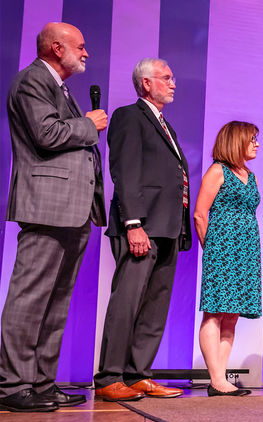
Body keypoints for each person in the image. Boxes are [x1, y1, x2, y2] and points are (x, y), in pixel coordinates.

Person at [0, 22, 107, 412]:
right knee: (29, 299)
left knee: (56, 302)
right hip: (46, 205)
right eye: (80, 46)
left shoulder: (59, 88)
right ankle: (12, 385)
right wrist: (89, 125)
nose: (86, 53)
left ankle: (42, 382)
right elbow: (46, 134)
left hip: (73, 209)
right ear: (56, 48)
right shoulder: (31, 81)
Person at [94, 58, 191, 402]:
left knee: (155, 305)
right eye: (167, 77)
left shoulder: (165, 125)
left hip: (166, 228)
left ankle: (137, 374)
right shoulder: (129, 116)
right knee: (128, 301)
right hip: (141, 227)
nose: (173, 82)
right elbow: (126, 172)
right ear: (146, 83)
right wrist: (133, 223)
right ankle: (109, 377)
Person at [194, 121, 262, 397]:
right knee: (215, 312)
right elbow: (200, 214)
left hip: (247, 251)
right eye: (252, 139)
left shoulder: (251, 175)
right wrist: (212, 250)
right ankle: (216, 379)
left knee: (232, 316)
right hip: (221, 249)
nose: (257, 144)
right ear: (237, 141)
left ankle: (220, 380)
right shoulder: (217, 171)